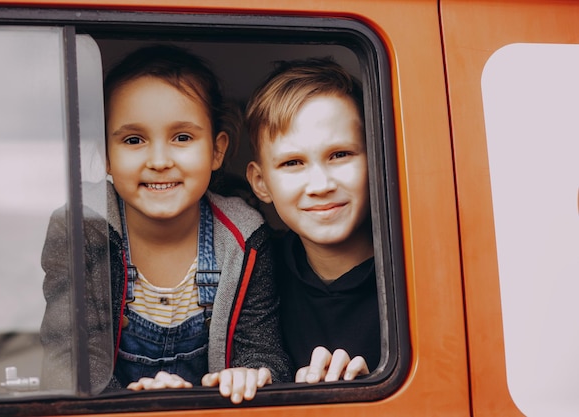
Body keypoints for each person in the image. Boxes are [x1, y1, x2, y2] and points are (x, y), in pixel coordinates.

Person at [39, 45, 291, 404]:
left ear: (217, 151)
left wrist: (249, 373)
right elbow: (68, 360)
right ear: (106, 156)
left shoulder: (245, 237)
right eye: (134, 140)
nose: (159, 160)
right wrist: (134, 403)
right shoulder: (81, 229)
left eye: (182, 138)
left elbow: (263, 351)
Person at [245, 58, 381, 384]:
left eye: (340, 155)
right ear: (261, 183)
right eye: (293, 163)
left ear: (377, 158)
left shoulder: (419, 276)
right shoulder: (255, 272)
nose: (321, 185)